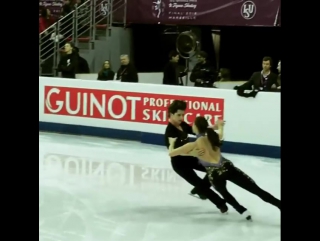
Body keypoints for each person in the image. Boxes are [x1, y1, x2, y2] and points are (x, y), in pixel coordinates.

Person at [167, 116, 281, 221]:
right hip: (228, 168)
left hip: (215, 175)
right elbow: (221, 133)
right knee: (256, 190)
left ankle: (242, 210)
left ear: (195, 127)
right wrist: (220, 125)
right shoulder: (213, 137)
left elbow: (172, 153)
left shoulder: (192, 145)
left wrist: (173, 143)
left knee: (225, 194)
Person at [165, 100, 228, 213]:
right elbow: (172, 152)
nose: (181, 117)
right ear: (171, 114)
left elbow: (198, 130)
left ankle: (198, 190)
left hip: (190, 158)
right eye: (178, 115)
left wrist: (215, 126)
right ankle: (221, 204)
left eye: (183, 114)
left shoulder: (182, 125)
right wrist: (192, 152)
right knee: (199, 182)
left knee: (215, 169)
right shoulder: (170, 131)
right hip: (179, 164)